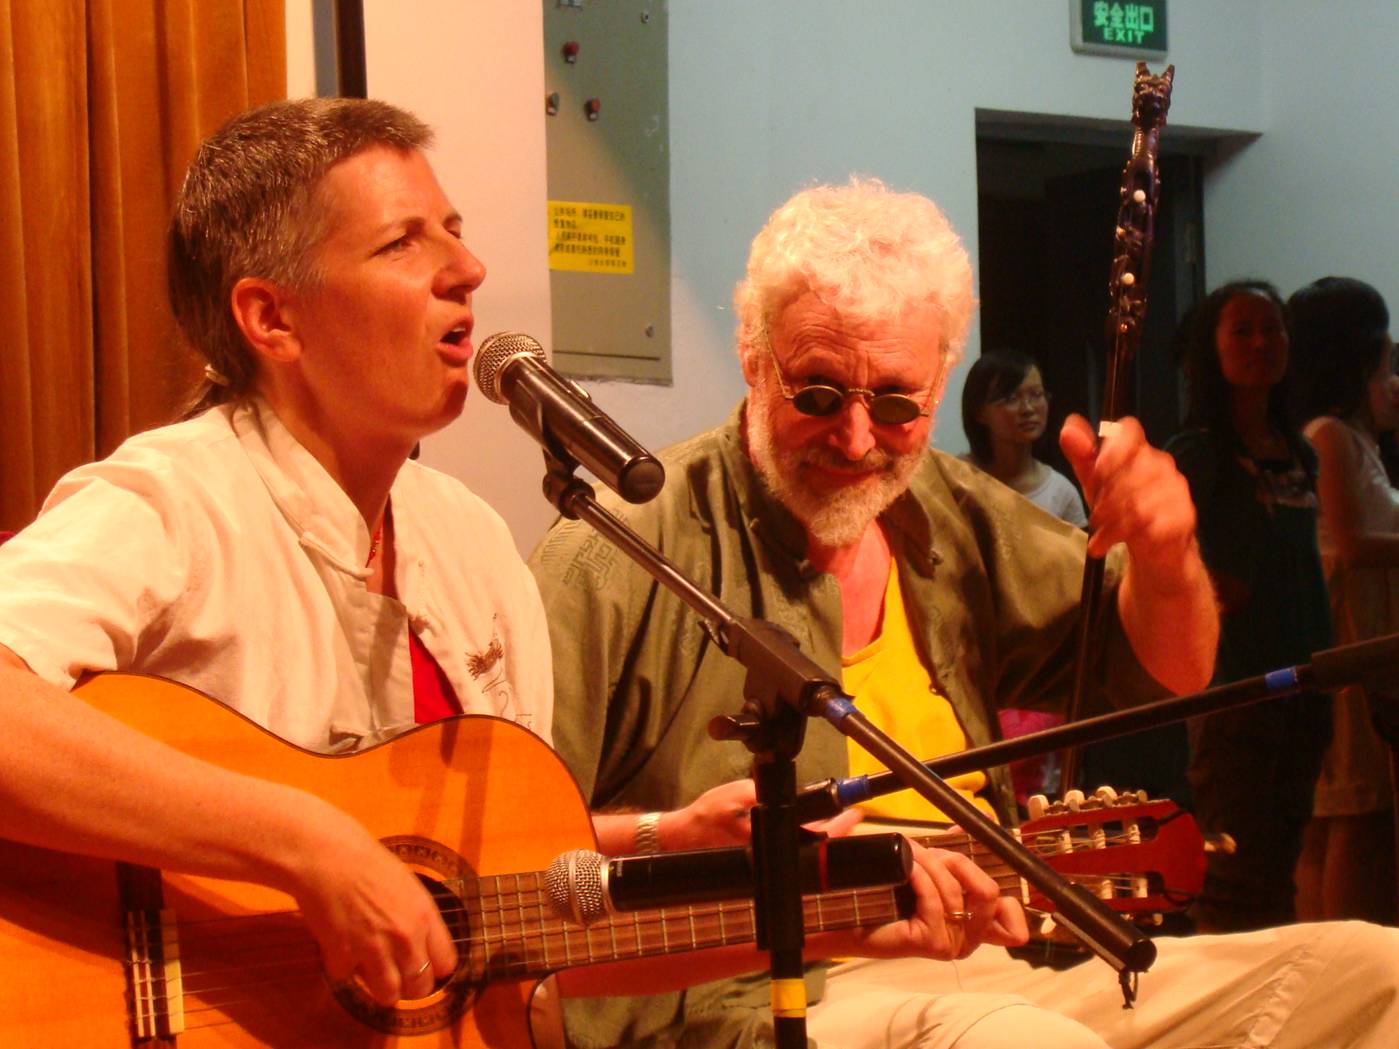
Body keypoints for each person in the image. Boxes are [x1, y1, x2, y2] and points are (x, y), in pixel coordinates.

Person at [0, 101, 1028, 1042]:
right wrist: (304, 841)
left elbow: (525, 948)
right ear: (272, 319)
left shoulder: (467, 542)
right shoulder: (175, 502)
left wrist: (800, 914)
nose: (467, 269)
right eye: (405, 241)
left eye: (454, 228)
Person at [532, 178, 1399, 1048]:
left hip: (1001, 964)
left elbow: (1173, 669)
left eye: (899, 402)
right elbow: (497, 856)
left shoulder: (951, 511)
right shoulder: (621, 550)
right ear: (754, 358)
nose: (858, 438)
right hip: (754, 991)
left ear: (942, 381)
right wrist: (674, 836)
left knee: (1371, 975)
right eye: (820, 394)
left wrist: (1167, 553)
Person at [1165, 280, 1333, 933]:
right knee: (1231, 870)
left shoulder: (1301, 450)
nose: (1260, 342)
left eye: (1272, 328)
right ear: (1210, 348)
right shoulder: (1197, 453)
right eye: (1241, 330)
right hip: (1234, 688)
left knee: (1281, 861)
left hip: (1309, 681)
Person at [1289, 276, 1399, 926]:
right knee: (1351, 811)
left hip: (1368, 636)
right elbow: (1352, 543)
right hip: (1351, 639)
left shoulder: (1354, 439)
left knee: (1351, 814)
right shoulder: (1328, 434)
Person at [961, 349, 1087, 528]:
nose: (1027, 408)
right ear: (979, 412)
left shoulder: (1060, 493)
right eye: (1011, 398)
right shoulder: (958, 479)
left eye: (1036, 395)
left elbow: (1078, 555)